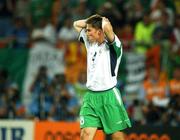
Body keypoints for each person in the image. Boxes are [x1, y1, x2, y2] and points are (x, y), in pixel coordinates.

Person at [73, 14, 131, 140]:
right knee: (85, 135)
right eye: (87, 30)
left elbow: (108, 30)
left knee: (117, 137)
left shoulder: (114, 46)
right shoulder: (90, 44)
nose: (86, 33)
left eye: (89, 30)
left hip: (109, 96)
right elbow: (76, 24)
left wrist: (103, 22)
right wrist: (93, 20)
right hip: (90, 97)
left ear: (99, 32)